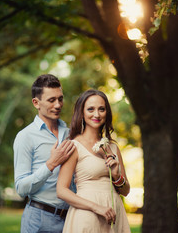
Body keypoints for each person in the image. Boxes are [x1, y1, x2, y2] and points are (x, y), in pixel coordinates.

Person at [57, 89, 131, 232]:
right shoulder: (74, 146)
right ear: (82, 113)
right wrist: (97, 207)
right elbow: (61, 190)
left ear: (107, 113)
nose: (96, 114)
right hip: (87, 215)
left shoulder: (113, 148)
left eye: (101, 109)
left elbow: (126, 191)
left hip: (114, 215)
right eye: (90, 109)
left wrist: (116, 176)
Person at [13, 74, 75, 233]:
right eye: (51, 100)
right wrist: (51, 164)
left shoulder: (70, 134)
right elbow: (21, 188)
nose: (58, 105)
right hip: (39, 219)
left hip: (70, 219)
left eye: (60, 99)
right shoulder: (25, 136)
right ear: (36, 103)